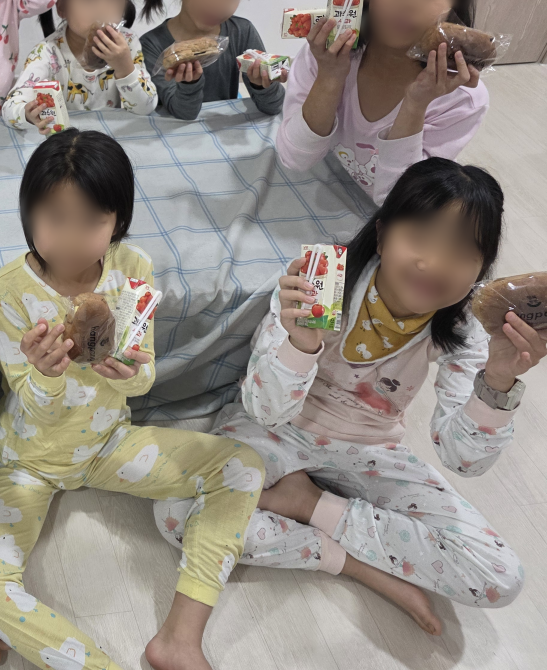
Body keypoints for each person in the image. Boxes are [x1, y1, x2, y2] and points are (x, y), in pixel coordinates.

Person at [154, 158, 543, 635]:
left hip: (369, 448)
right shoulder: (323, 280)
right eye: (420, 238)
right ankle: (358, 565)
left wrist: (498, 381)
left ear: (482, 267)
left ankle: (306, 504)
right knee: (176, 511)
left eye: (462, 252)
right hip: (277, 431)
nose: (434, 264)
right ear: (382, 235)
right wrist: (301, 343)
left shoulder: (464, 327)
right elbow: (265, 411)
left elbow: (462, 459)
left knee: (499, 577)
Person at [0, 128, 263, 670]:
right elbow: (32, 404)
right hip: (28, 461)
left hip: (108, 444)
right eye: (55, 217)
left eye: (92, 220)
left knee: (243, 466)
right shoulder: (4, 294)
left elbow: (142, 382)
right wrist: (47, 375)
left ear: (117, 221)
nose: (71, 238)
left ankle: (180, 636)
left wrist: (126, 373)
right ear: (28, 213)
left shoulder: (132, 271)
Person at [277, 0, 488, 203]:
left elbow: (396, 199)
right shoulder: (327, 54)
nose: (409, 1)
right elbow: (294, 159)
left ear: (456, 4)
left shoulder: (460, 98)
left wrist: (415, 104)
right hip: (321, 191)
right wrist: (330, 77)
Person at [3, 0, 156, 133]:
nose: (101, 10)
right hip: (67, 140)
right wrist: (26, 114)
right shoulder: (48, 53)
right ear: (62, 7)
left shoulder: (128, 44)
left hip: (111, 138)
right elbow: (10, 107)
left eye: (112, 0)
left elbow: (146, 107)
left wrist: (125, 68)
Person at [139, 0, 284, 120]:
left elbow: (274, 107)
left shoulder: (242, 32)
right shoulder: (152, 45)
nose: (219, 4)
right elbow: (183, 113)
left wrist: (263, 84)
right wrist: (189, 84)